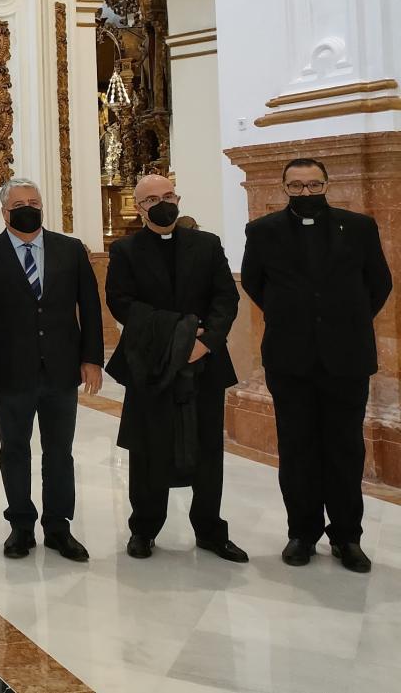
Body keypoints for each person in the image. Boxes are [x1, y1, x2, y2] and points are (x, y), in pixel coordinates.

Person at [241, 157, 392, 572]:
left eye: (312, 185)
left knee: (345, 448)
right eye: (296, 187)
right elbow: (255, 283)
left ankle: (347, 537)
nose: (305, 193)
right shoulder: (263, 231)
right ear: (283, 188)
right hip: (290, 359)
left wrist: (348, 319)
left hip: (346, 358)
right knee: (297, 448)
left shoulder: (359, 227)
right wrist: (293, 318)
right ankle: (302, 533)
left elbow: (379, 283)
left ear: (326, 184)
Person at [105, 173, 248, 563]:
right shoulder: (126, 251)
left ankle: (210, 529)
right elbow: (121, 302)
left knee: (207, 447)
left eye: (168, 195)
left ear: (178, 198)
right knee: (149, 447)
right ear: (140, 207)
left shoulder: (206, 244)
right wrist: (178, 338)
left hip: (205, 362)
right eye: (152, 198)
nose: (162, 202)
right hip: (150, 363)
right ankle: (144, 529)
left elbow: (225, 298)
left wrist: (204, 343)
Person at [0, 178, 103, 562]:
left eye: (34, 202)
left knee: (59, 451)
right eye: (20, 203)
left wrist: (92, 359)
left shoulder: (71, 249)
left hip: (61, 368)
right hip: (11, 369)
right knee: (14, 449)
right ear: (5, 212)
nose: (29, 208)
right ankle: (21, 526)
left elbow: (90, 307)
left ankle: (59, 527)